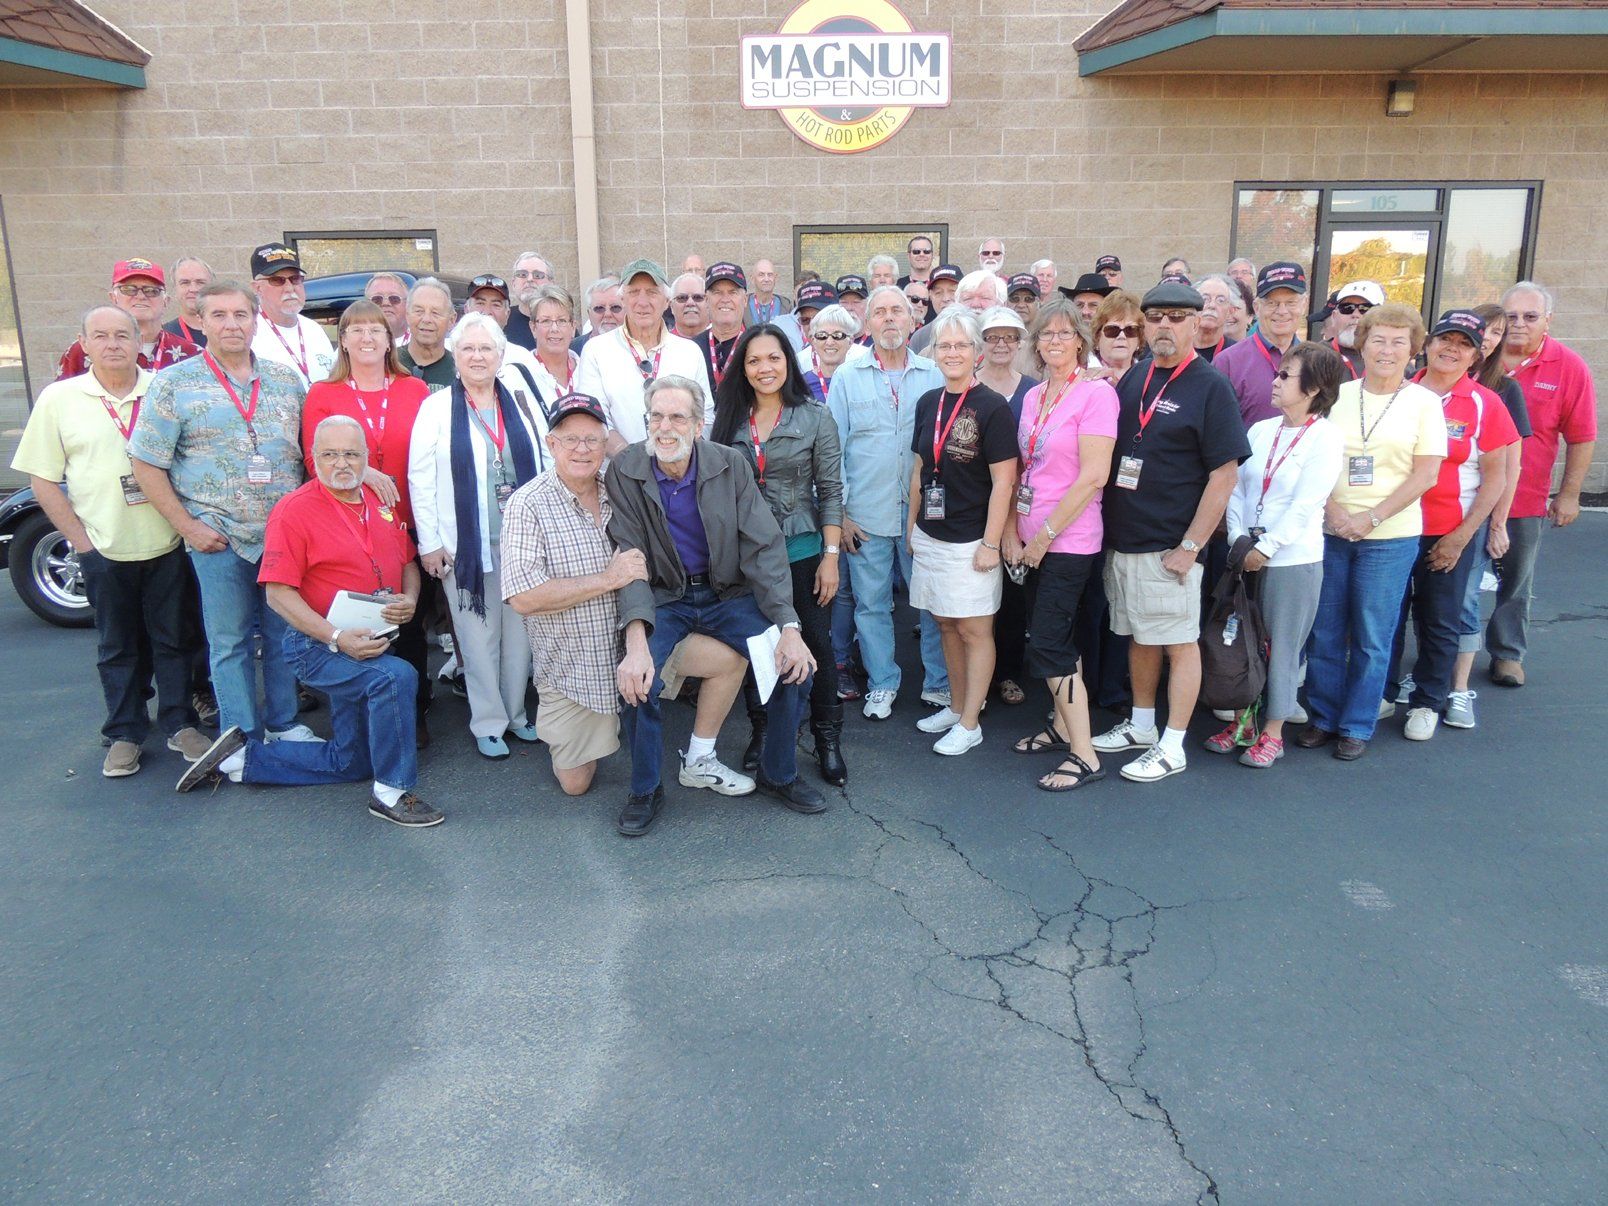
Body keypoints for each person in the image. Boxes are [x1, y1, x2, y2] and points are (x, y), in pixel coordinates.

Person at [177, 416, 440, 826]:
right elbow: (278, 595)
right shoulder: (293, 511)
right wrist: (336, 637)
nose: (341, 463)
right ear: (312, 458)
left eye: (351, 454)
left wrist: (409, 597)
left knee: (352, 763)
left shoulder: (377, 502)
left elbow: (407, 560)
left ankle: (242, 759)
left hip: (369, 639)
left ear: (366, 458)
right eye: (330, 454)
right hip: (317, 646)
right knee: (395, 678)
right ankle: (393, 792)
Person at [607, 375, 827, 835]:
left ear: (698, 424)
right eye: (657, 416)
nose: (665, 427)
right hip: (664, 596)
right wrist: (635, 640)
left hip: (727, 592)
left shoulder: (729, 465)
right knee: (637, 683)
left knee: (793, 667)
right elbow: (627, 558)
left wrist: (789, 625)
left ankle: (778, 772)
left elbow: (764, 547)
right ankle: (645, 788)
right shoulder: (625, 469)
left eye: (677, 417)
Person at [501, 392, 749, 795]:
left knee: (729, 659)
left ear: (606, 444)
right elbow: (523, 598)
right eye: (570, 439)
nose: (583, 450)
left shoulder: (618, 486)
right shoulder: (527, 505)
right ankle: (597, 725)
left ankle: (700, 758)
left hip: (637, 644)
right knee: (576, 784)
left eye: (593, 440)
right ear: (551, 444)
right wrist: (607, 579)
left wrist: (640, 638)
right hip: (577, 670)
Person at [13, 305, 208, 776]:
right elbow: (43, 481)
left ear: (137, 341)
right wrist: (81, 544)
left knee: (176, 640)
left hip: (167, 542)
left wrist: (186, 527)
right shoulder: (60, 399)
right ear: (85, 343)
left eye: (122, 334)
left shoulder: (163, 390)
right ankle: (124, 732)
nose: (113, 343)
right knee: (117, 646)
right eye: (100, 336)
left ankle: (181, 725)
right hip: (103, 546)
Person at [129, 280, 310, 742]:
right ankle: (241, 736)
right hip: (217, 537)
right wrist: (187, 526)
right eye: (220, 315)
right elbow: (146, 463)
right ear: (202, 321)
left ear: (255, 320)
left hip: (282, 539)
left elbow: (312, 454)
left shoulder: (287, 381)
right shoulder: (175, 383)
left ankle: (285, 724)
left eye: (241, 315)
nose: (232, 324)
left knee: (282, 636)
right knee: (228, 644)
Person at [1091, 280, 1249, 782]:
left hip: (1171, 547)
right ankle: (1141, 725)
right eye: (1155, 316)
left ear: (1198, 321)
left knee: (1179, 644)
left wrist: (1190, 546)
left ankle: (1173, 745)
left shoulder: (1210, 385)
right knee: (1140, 637)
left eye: (1177, 317)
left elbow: (1225, 475)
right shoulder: (1136, 376)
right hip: (1126, 541)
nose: (1164, 325)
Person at [1297, 302, 1446, 761]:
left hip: (1391, 536)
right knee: (1324, 630)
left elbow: (1426, 475)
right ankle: (1322, 717)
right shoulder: (1339, 395)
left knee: (1372, 635)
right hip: (1330, 529)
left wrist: (1371, 517)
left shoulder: (1424, 402)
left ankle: (1357, 724)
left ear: (1414, 350)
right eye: (1378, 339)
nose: (1387, 349)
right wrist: (1335, 510)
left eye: (1399, 341)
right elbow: (1310, 455)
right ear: (1361, 343)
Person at [712, 325, 847, 784]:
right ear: (742, 369)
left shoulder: (814, 416)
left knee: (818, 644)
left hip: (803, 548)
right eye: (753, 361)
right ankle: (764, 732)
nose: (764, 368)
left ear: (788, 361)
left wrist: (830, 556)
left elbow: (830, 491)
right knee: (760, 646)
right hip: (747, 554)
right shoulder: (728, 419)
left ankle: (827, 737)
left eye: (773, 358)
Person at [408, 312, 544, 759]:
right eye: (468, 349)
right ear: (455, 356)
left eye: (486, 348)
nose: (478, 356)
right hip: (465, 547)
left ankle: (518, 715)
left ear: (501, 355)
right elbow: (420, 478)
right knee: (477, 636)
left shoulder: (521, 401)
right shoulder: (435, 408)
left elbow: (544, 462)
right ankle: (488, 721)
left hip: (523, 542)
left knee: (520, 633)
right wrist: (429, 542)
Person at [1383, 310, 1519, 742]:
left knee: (1439, 619)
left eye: (1463, 343)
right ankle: (1383, 691)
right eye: (1445, 339)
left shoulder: (1486, 403)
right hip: (1393, 526)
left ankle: (1427, 701)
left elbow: (1495, 477)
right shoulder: (1398, 393)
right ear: (1426, 343)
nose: (1451, 349)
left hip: (1450, 531)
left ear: (1477, 355)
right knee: (1387, 615)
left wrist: (1462, 538)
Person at [301, 300, 434, 740]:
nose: (367, 338)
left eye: (376, 330)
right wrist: (365, 471)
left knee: (407, 618)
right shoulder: (324, 393)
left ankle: (412, 713)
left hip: (408, 519)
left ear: (390, 338)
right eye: (356, 330)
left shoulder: (414, 389)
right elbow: (311, 455)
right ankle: (364, 714)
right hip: (350, 524)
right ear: (342, 340)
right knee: (362, 617)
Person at [1002, 299, 1118, 790]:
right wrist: (1014, 530)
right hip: (1030, 538)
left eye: (1064, 333)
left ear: (1080, 341)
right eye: (1045, 334)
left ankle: (1085, 753)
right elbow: (1021, 469)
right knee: (1054, 640)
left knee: (1048, 643)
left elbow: (1095, 475)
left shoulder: (1096, 396)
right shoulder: (1033, 396)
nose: (1054, 341)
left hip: (1068, 540)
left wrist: (1044, 537)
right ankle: (1059, 723)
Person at [1215, 342, 1345, 767]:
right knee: (1242, 642)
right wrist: (1239, 540)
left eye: (1286, 376)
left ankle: (1273, 732)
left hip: (1292, 560)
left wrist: (1266, 548)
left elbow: (1306, 505)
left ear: (1312, 389)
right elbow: (1237, 488)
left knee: (1282, 646)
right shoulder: (1260, 431)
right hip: (1245, 554)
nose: (1275, 381)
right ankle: (1243, 721)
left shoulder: (1325, 438)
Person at [827, 285, 950, 719]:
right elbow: (831, 449)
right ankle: (882, 682)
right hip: (866, 514)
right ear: (867, 322)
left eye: (897, 311)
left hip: (924, 516)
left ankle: (939, 683)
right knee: (871, 604)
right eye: (880, 312)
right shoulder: (847, 376)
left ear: (913, 320)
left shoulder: (934, 375)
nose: (890, 319)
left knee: (932, 604)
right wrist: (838, 514)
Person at [906, 306, 1018, 755]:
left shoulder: (992, 407)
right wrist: (910, 527)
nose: (953, 353)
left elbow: (1005, 481)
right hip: (931, 535)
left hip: (973, 540)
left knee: (974, 630)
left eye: (962, 345)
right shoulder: (928, 402)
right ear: (934, 352)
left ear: (977, 351)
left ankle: (971, 722)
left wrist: (992, 543)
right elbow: (918, 468)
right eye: (945, 345)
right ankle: (955, 706)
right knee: (945, 624)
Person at [1486, 280, 1598, 688]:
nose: (1519, 324)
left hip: (1524, 499)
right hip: (1464, 497)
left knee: (1515, 581)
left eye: (1530, 317)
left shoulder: (1568, 367)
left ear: (1547, 320)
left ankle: (1507, 654)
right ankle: (1443, 653)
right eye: (1511, 316)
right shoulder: (1480, 358)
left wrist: (1569, 494)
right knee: (1448, 583)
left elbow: (1582, 435)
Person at [1442, 302, 1531, 722]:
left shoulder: (1501, 392)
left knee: (1461, 601)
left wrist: (1498, 522)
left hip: (1469, 516)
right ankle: (1425, 675)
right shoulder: (1418, 385)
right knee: (1421, 602)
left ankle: (1459, 689)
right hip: (1417, 517)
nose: (1493, 337)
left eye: (1497, 332)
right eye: (1487, 329)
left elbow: (1510, 465)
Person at [575, 259, 713, 454]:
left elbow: (704, 415)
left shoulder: (689, 352)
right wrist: (633, 460)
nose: (642, 302)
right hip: (620, 473)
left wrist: (679, 459)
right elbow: (594, 417)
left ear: (667, 302)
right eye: (633, 292)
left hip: (679, 472)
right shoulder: (596, 350)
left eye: (652, 292)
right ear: (622, 300)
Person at [57, 258, 200, 381]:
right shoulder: (84, 350)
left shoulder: (191, 354)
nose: (141, 296)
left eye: (151, 291)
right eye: (129, 289)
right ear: (113, 298)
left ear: (166, 301)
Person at [1215, 261, 1308, 429]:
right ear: (1257, 308)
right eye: (1272, 303)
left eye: (1291, 303)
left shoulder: (1313, 361)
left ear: (1304, 305)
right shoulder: (1227, 363)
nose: (1282, 311)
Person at [248, 243, 335, 390]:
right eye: (277, 280)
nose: (289, 288)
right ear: (257, 288)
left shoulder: (314, 329)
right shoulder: (247, 332)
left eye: (295, 279)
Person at [911, 270, 1004, 355]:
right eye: (968, 298)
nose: (975, 304)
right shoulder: (929, 351)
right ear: (958, 302)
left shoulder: (1012, 346)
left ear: (1001, 303)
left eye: (985, 298)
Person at [695, 262, 749, 392]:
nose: (725, 299)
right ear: (706, 300)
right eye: (717, 292)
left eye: (733, 292)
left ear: (745, 300)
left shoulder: (756, 346)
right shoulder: (692, 348)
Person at [396, 276, 458, 388]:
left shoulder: (461, 370)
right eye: (419, 311)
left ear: (451, 320)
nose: (426, 319)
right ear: (407, 315)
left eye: (435, 313)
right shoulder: (387, 363)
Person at [1324, 281, 1382, 379]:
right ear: (1334, 316)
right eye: (1347, 308)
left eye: (1365, 308)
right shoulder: (1312, 357)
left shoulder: (1393, 362)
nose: (1355, 314)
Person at [802, 300, 856, 403]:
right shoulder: (800, 385)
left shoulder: (861, 382)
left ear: (851, 341)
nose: (830, 342)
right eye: (822, 335)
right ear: (813, 341)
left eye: (838, 335)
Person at [505, 251, 555, 351]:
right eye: (522, 274)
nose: (530, 279)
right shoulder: (503, 320)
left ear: (551, 283)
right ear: (513, 283)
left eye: (538, 275)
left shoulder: (561, 322)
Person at [1091, 289, 1145, 375]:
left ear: (1140, 339)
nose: (1122, 336)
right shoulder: (1081, 375)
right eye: (1112, 330)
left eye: (1130, 329)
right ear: (1097, 338)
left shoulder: (1148, 377)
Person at [162, 256, 213, 345]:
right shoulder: (164, 336)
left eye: (200, 282)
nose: (193, 289)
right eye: (185, 283)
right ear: (175, 290)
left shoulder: (228, 330)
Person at [1192, 274, 1241, 363]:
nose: (1212, 305)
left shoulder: (1238, 355)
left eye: (1220, 300)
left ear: (1230, 311)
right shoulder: (1177, 349)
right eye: (1205, 299)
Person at [572, 276, 624, 352]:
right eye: (599, 308)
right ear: (589, 314)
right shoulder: (572, 350)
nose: (608, 314)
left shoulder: (641, 348)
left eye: (615, 307)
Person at [364, 271, 411, 341]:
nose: (386, 303)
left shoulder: (422, 343)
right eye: (377, 299)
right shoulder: (355, 346)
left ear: (407, 304)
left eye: (394, 298)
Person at [745, 258, 791, 324]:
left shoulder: (786, 306)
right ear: (752, 279)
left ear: (775, 278)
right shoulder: (743, 305)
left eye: (770, 275)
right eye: (761, 275)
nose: (766, 279)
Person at [668, 271, 709, 340]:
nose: (690, 303)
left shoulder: (723, 340)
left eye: (698, 297)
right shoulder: (661, 346)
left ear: (708, 303)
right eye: (682, 298)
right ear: (672, 306)